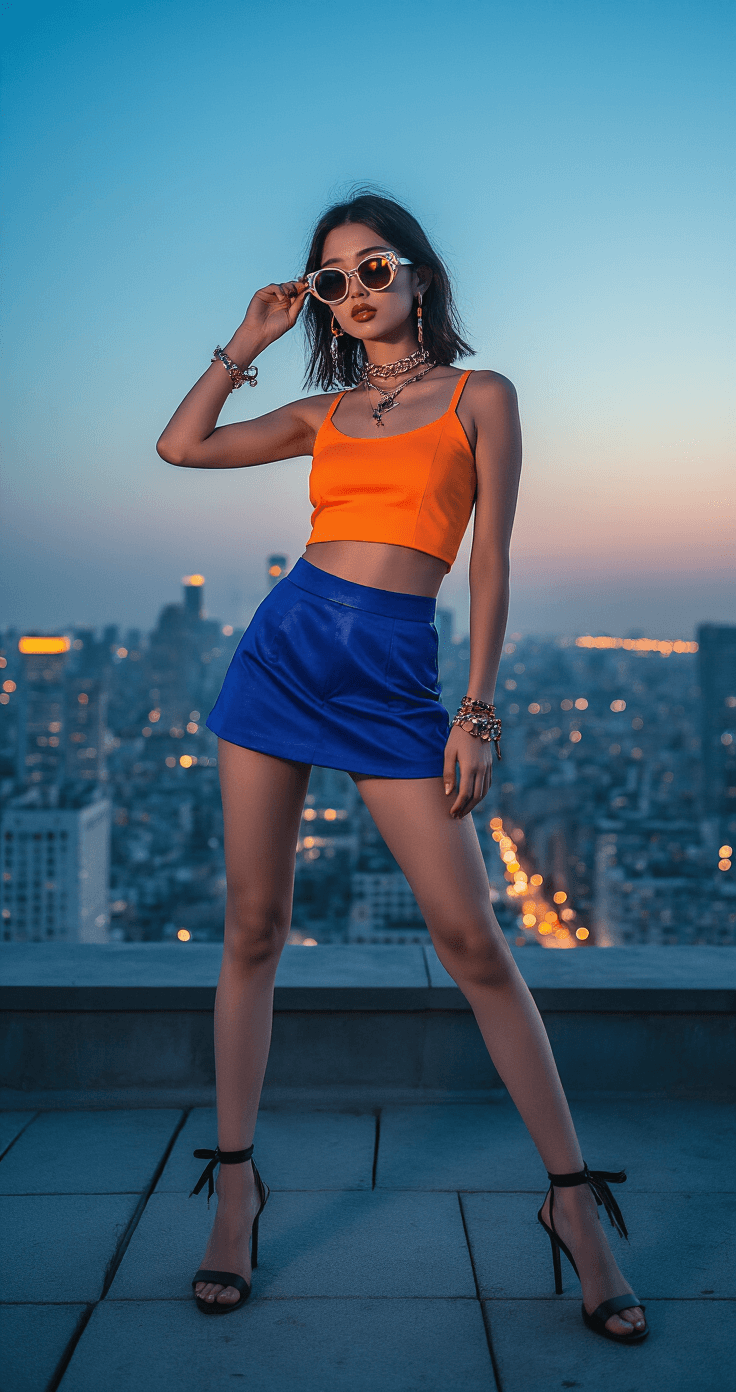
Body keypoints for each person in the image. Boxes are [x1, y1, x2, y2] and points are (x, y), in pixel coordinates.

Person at [156, 191, 648, 1343]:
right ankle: (235, 1189)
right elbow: (181, 447)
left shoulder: (483, 397)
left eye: (374, 266)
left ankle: (572, 1205)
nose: (358, 290)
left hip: (391, 677)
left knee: (473, 937)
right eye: (333, 279)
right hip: (277, 660)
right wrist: (249, 341)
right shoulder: (320, 412)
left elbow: (489, 564)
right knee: (251, 929)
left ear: (419, 275)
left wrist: (475, 710)